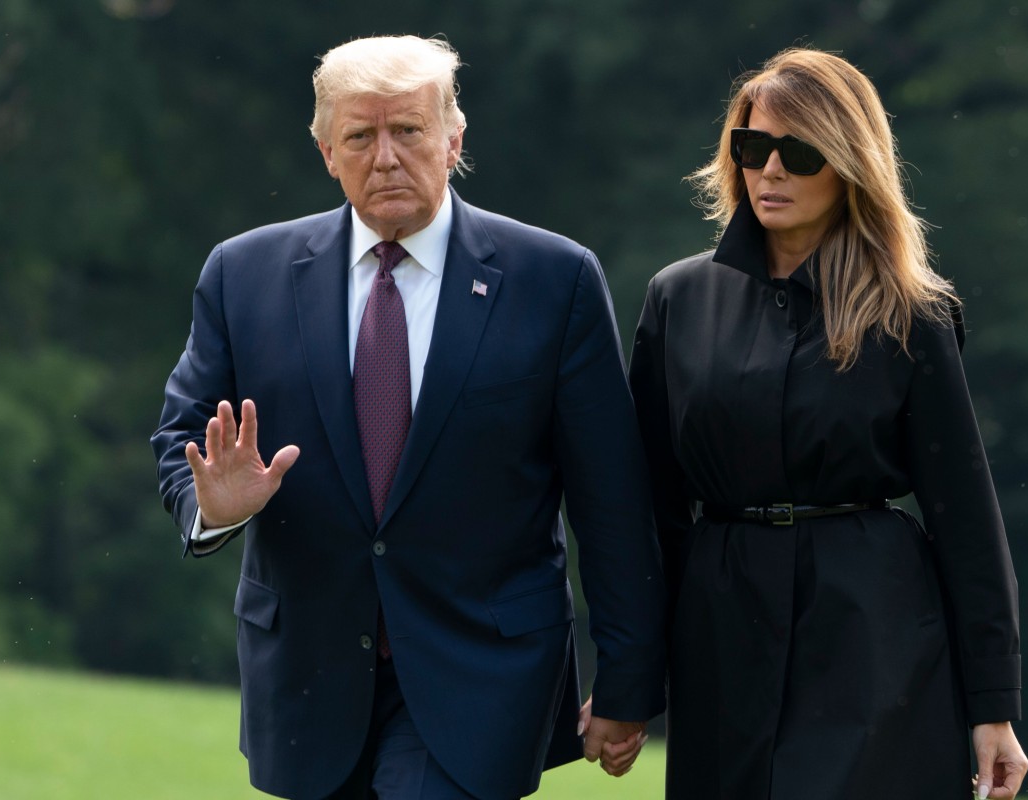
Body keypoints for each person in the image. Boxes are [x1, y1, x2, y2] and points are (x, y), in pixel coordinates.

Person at [151, 35, 665, 800]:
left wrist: (626, 682)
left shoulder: (554, 280)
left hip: (482, 673)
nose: (385, 157)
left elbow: (611, 500)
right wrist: (211, 508)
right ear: (327, 151)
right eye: (360, 135)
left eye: (409, 131)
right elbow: (181, 437)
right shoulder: (242, 274)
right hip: (307, 678)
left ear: (454, 140)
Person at [629, 46, 1028, 799]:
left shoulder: (914, 312)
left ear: (848, 162)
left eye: (799, 152)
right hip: (723, 629)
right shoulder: (677, 299)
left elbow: (966, 515)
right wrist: (631, 672)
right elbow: (649, 510)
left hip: (873, 629)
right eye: (752, 148)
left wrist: (993, 707)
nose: (770, 171)